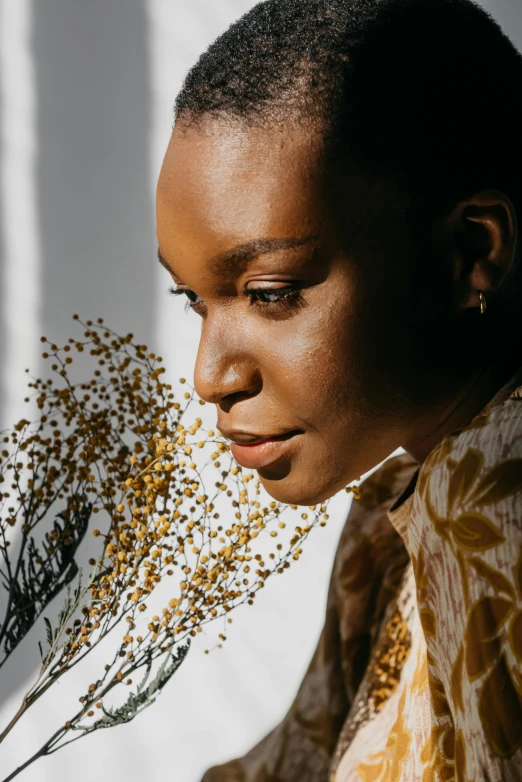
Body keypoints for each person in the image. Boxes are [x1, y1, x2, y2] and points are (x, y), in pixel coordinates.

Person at [155, 0, 522, 778]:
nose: (209, 378)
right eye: (192, 299)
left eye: (270, 291)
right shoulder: (397, 510)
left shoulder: (498, 529)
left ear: (470, 250)